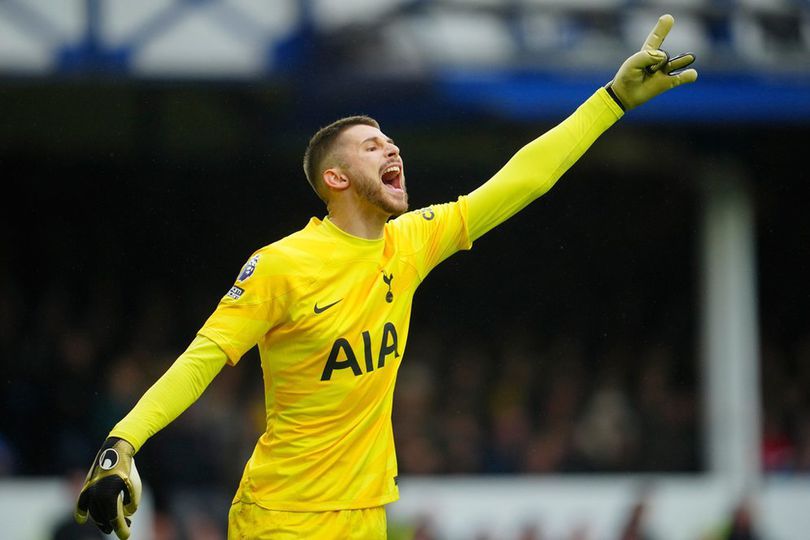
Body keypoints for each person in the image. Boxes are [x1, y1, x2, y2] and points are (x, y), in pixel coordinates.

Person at [75, 14, 697, 540]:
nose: (392, 148)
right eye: (371, 146)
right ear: (336, 179)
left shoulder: (411, 242)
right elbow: (201, 360)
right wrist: (122, 443)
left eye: (391, 141)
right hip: (283, 517)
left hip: (368, 514)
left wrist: (611, 101)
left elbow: (524, 179)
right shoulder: (283, 264)